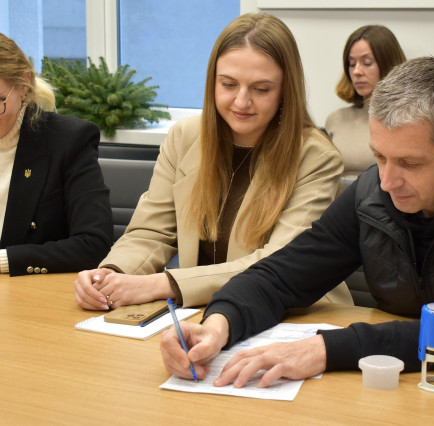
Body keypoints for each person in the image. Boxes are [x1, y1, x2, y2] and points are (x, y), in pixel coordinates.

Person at [160, 56, 434, 387]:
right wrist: (219, 323)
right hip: (422, 371)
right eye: (379, 156)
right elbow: (282, 275)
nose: (388, 181)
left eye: (410, 162)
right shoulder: (375, 187)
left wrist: (325, 348)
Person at [73, 13, 352, 311]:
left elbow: (280, 263)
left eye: (261, 89)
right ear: (212, 82)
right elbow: (151, 232)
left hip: (293, 314)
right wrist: (111, 274)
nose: (241, 102)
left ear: (286, 90)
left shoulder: (316, 157)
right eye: (228, 84)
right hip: (205, 311)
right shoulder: (184, 137)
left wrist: (163, 284)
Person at [0, 33, 112, 277]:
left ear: (24, 85)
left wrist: (4, 260)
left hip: (31, 292)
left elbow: (93, 244)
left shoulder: (68, 140)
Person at [324, 25, 406, 182]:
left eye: (367, 63)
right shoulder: (336, 119)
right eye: (352, 64)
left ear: (389, 64)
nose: (357, 71)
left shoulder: (405, 119)